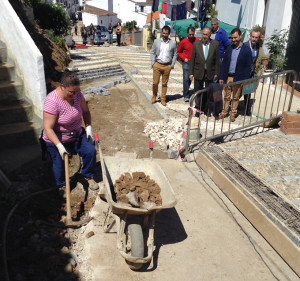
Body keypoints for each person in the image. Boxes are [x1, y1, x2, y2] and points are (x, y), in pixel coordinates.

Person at [42, 71, 98, 190]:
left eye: (77, 91)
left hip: (76, 133)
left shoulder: (78, 95)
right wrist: (60, 146)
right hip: (56, 137)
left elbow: (86, 112)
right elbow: (48, 128)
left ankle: (87, 176)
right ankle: (61, 184)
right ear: (62, 86)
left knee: (90, 151)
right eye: (71, 92)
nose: (75, 95)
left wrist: (88, 127)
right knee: (59, 163)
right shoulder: (52, 101)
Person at [218, 28, 252, 122]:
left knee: (236, 97)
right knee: (226, 96)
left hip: (238, 77)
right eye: (232, 38)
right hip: (228, 76)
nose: (234, 40)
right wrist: (221, 76)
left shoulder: (246, 50)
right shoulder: (229, 48)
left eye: (235, 37)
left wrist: (244, 80)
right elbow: (224, 63)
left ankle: (233, 113)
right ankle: (224, 112)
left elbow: (247, 67)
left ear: (240, 36)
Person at [189, 27, 220, 114]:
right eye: (203, 34)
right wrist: (191, 73)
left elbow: (217, 60)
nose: (204, 36)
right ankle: (198, 109)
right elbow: (192, 60)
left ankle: (206, 109)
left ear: (210, 35)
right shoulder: (196, 44)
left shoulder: (215, 44)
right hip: (198, 71)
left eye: (206, 34)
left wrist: (216, 72)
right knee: (198, 91)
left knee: (208, 91)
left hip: (210, 72)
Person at [150, 25, 177, 106]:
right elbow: (152, 52)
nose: (165, 35)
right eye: (164, 33)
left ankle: (163, 99)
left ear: (169, 34)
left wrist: (172, 65)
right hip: (157, 65)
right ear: (162, 32)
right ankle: (154, 96)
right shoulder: (156, 41)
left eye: (166, 33)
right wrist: (153, 63)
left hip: (167, 66)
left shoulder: (173, 43)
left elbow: (175, 54)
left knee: (164, 84)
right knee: (155, 82)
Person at [177, 26, 199, 102]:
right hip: (187, 62)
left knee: (194, 79)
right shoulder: (183, 42)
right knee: (186, 79)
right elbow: (178, 52)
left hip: (195, 63)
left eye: (192, 34)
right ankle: (186, 95)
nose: (191, 36)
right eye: (190, 34)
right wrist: (183, 58)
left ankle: (195, 93)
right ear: (187, 34)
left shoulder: (197, 40)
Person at [243, 29, 261, 115]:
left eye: (256, 37)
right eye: (253, 37)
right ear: (250, 36)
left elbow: (254, 60)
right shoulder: (244, 46)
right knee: (239, 92)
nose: (254, 39)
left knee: (248, 92)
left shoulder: (257, 46)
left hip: (251, 73)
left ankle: (247, 110)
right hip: (243, 73)